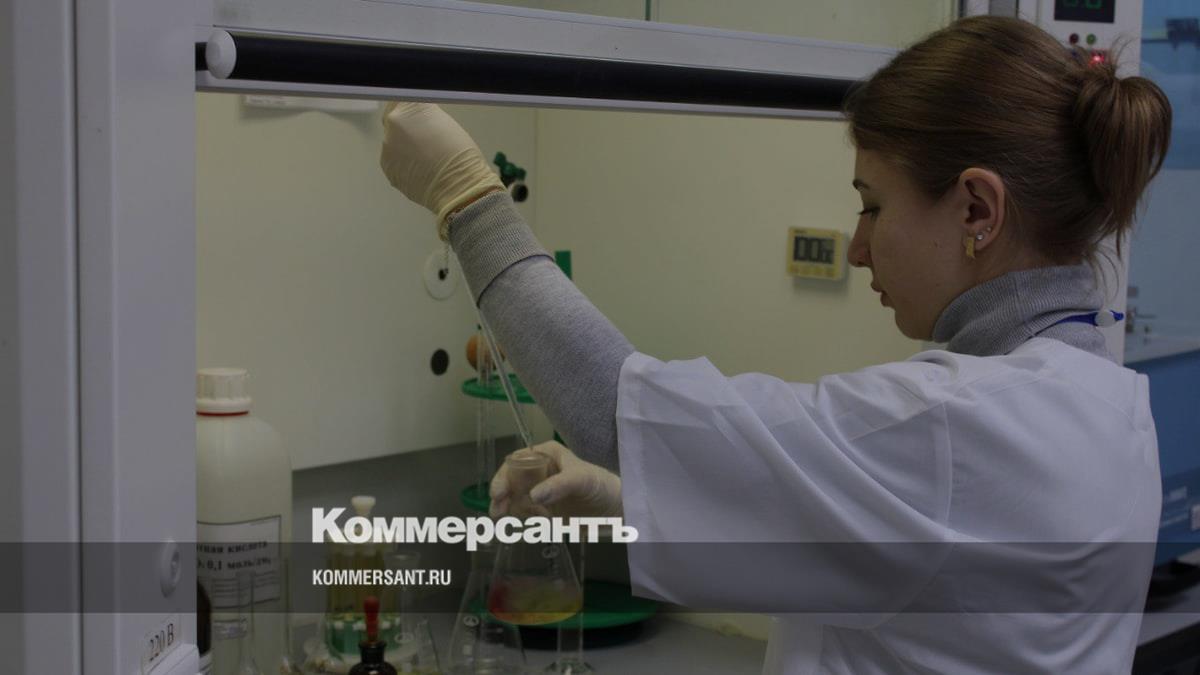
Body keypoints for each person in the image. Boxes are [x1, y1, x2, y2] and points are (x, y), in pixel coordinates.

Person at [379, 16, 1171, 674]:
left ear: (976, 210)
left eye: (873, 206)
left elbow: (607, 402)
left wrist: (466, 199)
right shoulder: (1112, 406)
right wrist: (627, 498)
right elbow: (885, 553)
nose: (858, 248)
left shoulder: (954, 427)